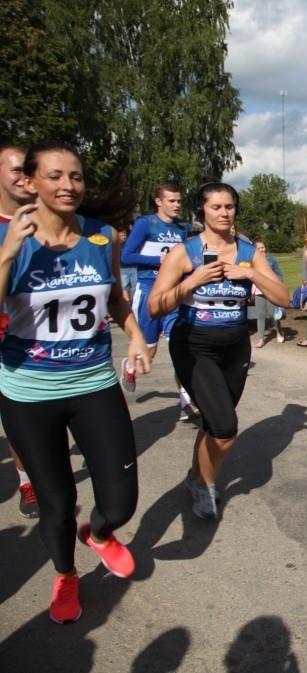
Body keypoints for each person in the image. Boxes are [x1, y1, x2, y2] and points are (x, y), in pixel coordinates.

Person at [0, 142, 151, 623]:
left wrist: (136, 337)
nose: (68, 186)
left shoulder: (102, 235)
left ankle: (102, 534)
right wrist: (7, 254)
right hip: (29, 391)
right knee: (58, 502)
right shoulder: (12, 240)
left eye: (77, 176)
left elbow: (116, 300)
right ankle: (65, 575)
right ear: (32, 182)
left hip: (92, 382)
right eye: (55, 176)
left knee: (121, 498)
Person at [148, 182, 287, 519]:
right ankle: (204, 485)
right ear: (203, 211)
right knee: (225, 430)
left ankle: (197, 476)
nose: (224, 213)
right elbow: (154, 307)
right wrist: (192, 281)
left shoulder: (248, 251)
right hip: (194, 346)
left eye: (230, 207)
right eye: (216, 207)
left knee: (214, 424)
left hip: (235, 347)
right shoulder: (184, 252)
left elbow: (283, 298)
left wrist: (251, 273)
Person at [120, 182, 197, 419]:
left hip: (173, 294)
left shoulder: (182, 229)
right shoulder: (146, 224)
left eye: (179, 201)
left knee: (182, 348)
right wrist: (159, 261)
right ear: (158, 201)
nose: (177, 205)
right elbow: (126, 256)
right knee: (149, 353)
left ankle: (186, 401)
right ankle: (130, 367)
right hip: (148, 290)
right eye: (172, 201)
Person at [0, 143, 39, 519]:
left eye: (28, 169)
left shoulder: (53, 222)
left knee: (24, 420)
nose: (23, 177)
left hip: (30, 342)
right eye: (15, 169)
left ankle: (28, 481)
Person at [252, 239, 286, 347]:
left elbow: (279, 274)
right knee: (260, 315)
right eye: (259, 248)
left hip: (271, 290)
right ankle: (261, 339)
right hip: (258, 290)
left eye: (263, 247)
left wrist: (277, 283)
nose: (262, 249)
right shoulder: (251, 261)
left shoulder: (271, 260)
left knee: (273, 314)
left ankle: (279, 331)